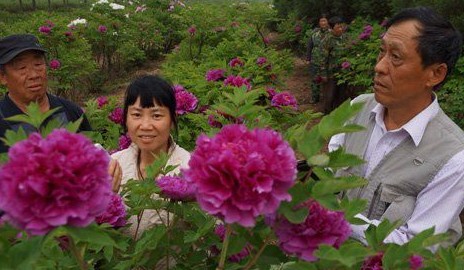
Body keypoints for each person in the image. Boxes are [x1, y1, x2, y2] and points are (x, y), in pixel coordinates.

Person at [329, 7, 464, 248]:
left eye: (396, 57)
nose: (379, 67)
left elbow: (415, 245)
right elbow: (328, 174)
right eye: (382, 52)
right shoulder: (357, 108)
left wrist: (332, 219)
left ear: (435, 73)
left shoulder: (454, 156)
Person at [0, 34, 121, 190]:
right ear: (3, 77)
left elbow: (93, 161)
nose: (34, 75)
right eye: (22, 68)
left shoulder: (71, 113)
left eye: (38, 64)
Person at [111, 75, 191, 239]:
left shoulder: (189, 168)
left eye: (156, 115)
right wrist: (103, 198)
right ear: (125, 119)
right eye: (137, 114)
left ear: (172, 120)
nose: (145, 126)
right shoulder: (115, 165)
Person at [320, 16, 346, 114]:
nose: (341, 29)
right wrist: (323, 74)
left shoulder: (345, 37)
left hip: (343, 73)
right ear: (332, 28)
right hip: (331, 73)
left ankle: (339, 115)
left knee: (341, 95)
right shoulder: (327, 40)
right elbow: (323, 58)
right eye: (338, 27)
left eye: (342, 27)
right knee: (330, 96)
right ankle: (327, 115)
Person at [306, 14, 330, 104]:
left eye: (324, 21)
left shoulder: (331, 33)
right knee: (314, 80)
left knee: (327, 80)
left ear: (327, 22)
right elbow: (309, 46)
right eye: (321, 21)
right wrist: (308, 58)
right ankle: (315, 98)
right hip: (315, 60)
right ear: (319, 23)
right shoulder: (315, 34)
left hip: (327, 61)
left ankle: (327, 99)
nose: (323, 23)